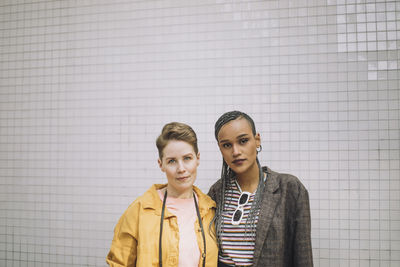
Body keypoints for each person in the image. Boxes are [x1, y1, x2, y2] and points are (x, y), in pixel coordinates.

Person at [208, 111, 313, 267]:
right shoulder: (217, 192)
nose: (235, 151)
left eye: (243, 141)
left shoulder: (289, 188)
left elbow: (303, 255)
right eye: (227, 145)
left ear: (257, 140)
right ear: (220, 148)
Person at [106, 122, 218, 267]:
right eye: (172, 161)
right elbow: (118, 263)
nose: (181, 168)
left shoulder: (210, 209)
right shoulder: (140, 210)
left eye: (187, 158)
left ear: (198, 159)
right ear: (161, 165)